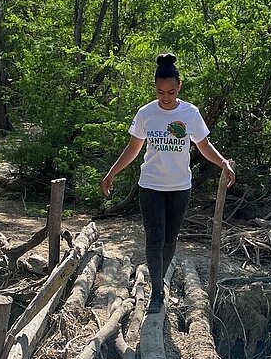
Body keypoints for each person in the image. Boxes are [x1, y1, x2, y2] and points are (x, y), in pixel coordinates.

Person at [101, 53, 236, 313]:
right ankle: (157, 292)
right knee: (154, 239)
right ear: (155, 88)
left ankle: (159, 280)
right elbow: (133, 148)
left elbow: (203, 145)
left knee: (170, 240)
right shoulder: (146, 113)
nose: (166, 97)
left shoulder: (190, 113)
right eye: (161, 92)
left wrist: (223, 163)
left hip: (179, 187)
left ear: (179, 87)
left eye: (171, 92)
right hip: (150, 185)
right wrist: (111, 173)